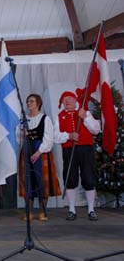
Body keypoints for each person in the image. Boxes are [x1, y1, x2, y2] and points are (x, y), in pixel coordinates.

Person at [54, 91, 100, 221]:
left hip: (85, 149)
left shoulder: (84, 113)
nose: (67, 101)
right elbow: (56, 137)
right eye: (64, 100)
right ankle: (71, 209)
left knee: (88, 177)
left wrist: (85, 117)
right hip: (69, 150)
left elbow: (96, 129)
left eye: (70, 99)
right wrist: (69, 135)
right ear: (62, 103)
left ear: (75, 100)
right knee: (70, 178)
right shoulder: (59, 116)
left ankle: (91, 209)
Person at [18, 94, 61, 221]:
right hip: (26, 151)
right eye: (27, 101)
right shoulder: (23, 119)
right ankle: (29, 212)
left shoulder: (45, 119)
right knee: (28, 181)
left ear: (38, 103)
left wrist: (38, 152)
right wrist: (21, 133)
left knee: (42, 181)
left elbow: (49, 138)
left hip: (41, 153)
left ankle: (43, 212)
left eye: (31, 101)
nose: (29, 103)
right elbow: (18, 138)